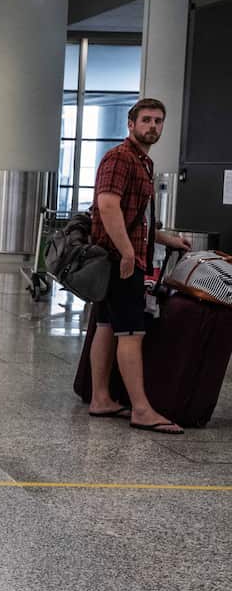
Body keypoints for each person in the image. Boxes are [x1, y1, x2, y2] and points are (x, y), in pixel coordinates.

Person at [87, 97, 191, 434]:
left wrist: (167, 239)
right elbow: (107, 205)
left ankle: (101, 398)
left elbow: (137, 219)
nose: (153, 127)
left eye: (158, 121)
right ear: (130, 124)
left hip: (117, 258)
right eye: (146, 120)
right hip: (121, 262)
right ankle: (142, 410)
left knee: (106, 327)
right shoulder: (120, 158)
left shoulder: (142, 162)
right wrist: (129, 254)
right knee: (132, 333)